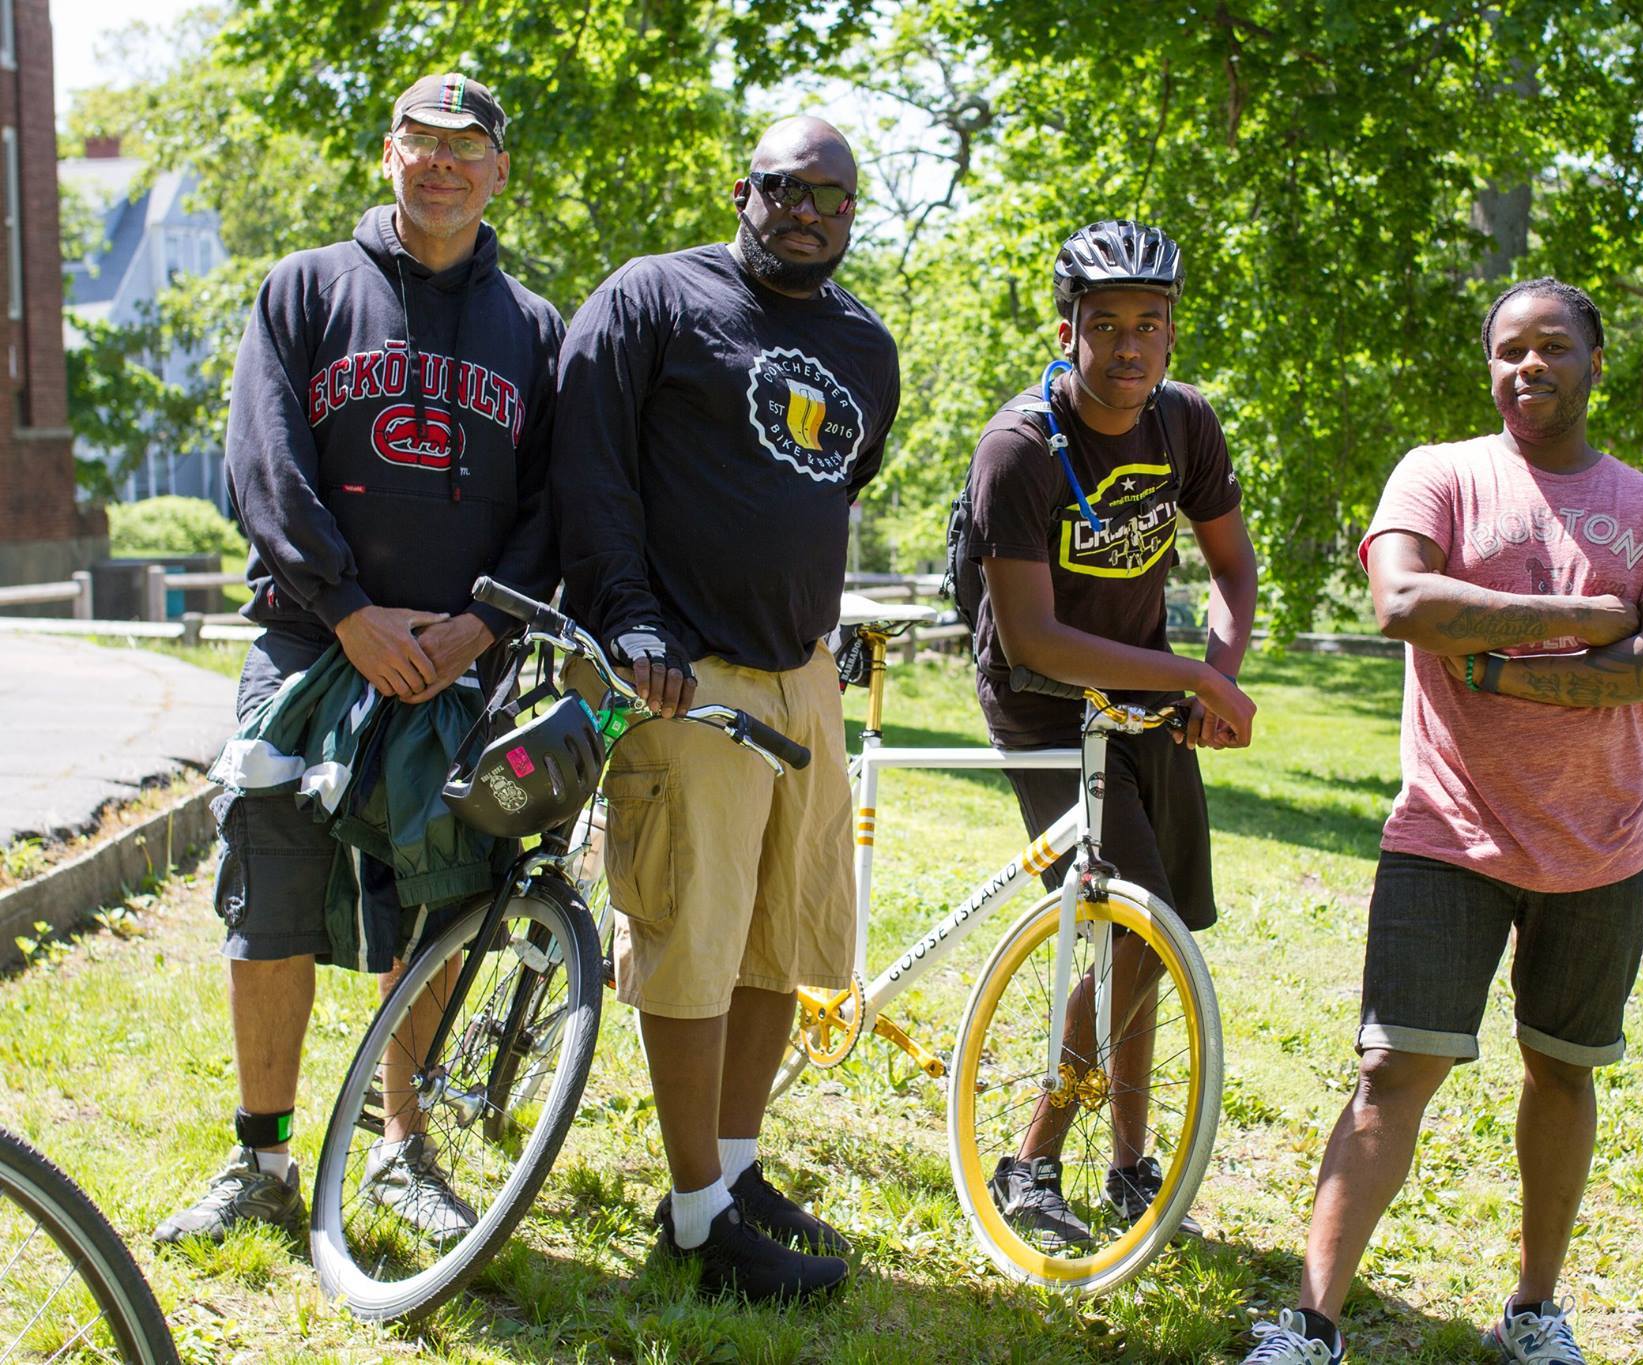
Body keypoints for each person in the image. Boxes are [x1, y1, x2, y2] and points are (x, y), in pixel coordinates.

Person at [1243, 279, 1643, 1365]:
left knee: (1561, 1069)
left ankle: (1533, 1310)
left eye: (1551, 348)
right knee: (1390, 1072)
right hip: (1445, 836)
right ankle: (1310, 1324)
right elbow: (1402, 606)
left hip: (1600, 846)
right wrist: (1585, 624)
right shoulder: (1439, 473)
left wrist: (1493, 665)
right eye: (1507, 351)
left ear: (1593, 359)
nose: (1527, 368)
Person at [154, 74, 563, 1245]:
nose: (441, 164)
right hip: (309, 643)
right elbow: (263, 458)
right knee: (270, 888)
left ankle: (401, 1151)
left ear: (497, 172)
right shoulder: (305, 289)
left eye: (465, 148)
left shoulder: (533, 328)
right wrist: (347, 611)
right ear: (388, 155)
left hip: (459, 661)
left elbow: (555, 507)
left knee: (438, 897)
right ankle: (263, 1159)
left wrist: (481, 627)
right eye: (420, 144)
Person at [551, 116, 898, 1302]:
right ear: (741, 188)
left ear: (853, 215)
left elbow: (828, 490)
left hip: (800, 676)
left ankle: (737, 1169)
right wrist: (630, 617)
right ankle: (695, 1216)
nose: (808, 211)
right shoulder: (651, 299)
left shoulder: (865, 346)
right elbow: (586, 470)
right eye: (787, 188)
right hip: (678, 674)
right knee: (692, 942)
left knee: (779, 936)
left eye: (833, 198)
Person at [961, 219, 1257, 1248]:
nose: (1128, 346)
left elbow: (1231, 569)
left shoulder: (1183, 424)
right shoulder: (1019, 448)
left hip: (1146, 696)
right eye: (1105, 325)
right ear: (1066, 329)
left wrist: (1209, 682)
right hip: (1043, 698)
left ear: (1172, 334)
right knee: (1129, 921)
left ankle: (1128, 1167)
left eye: (1149, 324)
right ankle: (1031, 1158)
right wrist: (1184, 675)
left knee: (1158, 928)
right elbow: (1037, 640)